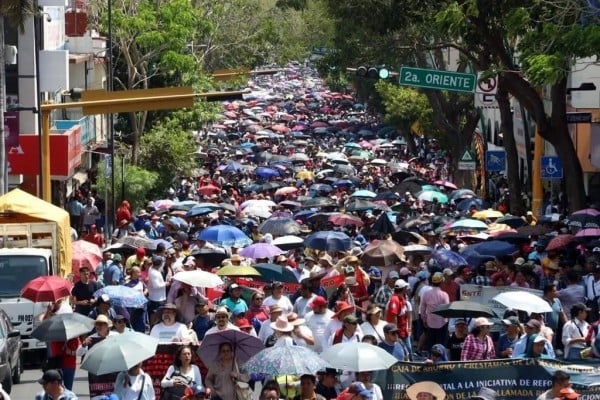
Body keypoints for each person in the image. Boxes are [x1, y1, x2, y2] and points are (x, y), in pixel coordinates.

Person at [419, 272, 450, 351]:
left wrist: (424, 320)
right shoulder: (444, 295)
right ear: (441, 282)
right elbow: (447, 309)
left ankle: (430, 359)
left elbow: (422, 308)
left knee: (431, 344)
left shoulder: (426, 293)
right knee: (441, 345)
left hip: (430, 322)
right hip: (442, 323)